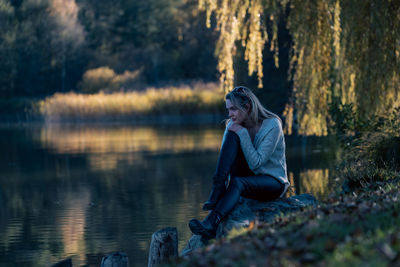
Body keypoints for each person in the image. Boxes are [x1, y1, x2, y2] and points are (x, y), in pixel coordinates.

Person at [188, 86, 290, 239]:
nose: (230, 114)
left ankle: (211, 222)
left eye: (233, 109)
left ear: (247, 107)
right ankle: (217, 189)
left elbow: (257, 163)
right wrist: (235, 131)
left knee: (238, 183)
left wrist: (241, 132)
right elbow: (227, 161)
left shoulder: (272, 125)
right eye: (228, 109)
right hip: (248, 177)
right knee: (231, 135)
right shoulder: (233, 124)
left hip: (273, 181)